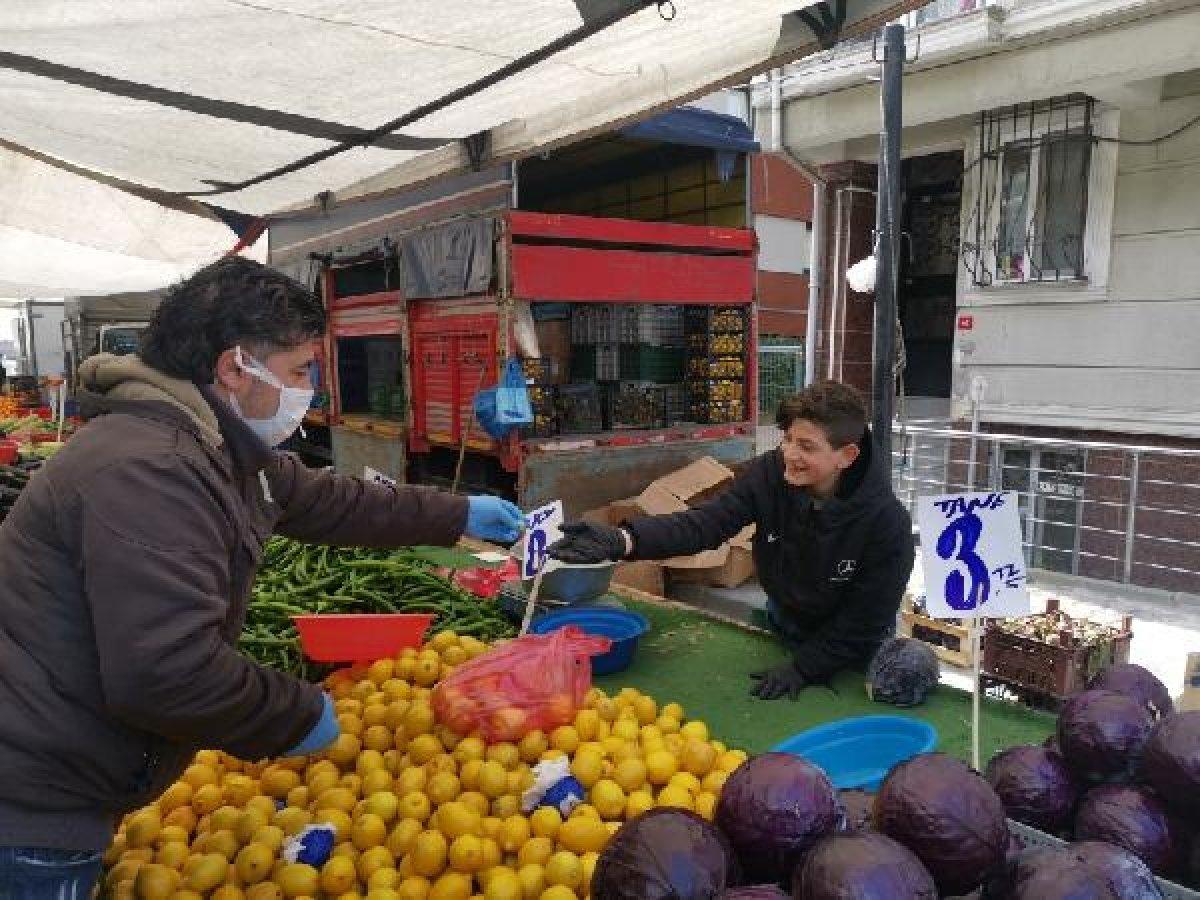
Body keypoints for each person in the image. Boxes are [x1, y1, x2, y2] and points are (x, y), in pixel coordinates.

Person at [0, 258, 524, 896]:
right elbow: (166, 672)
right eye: (300, 370)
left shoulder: (214, 448)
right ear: (234, 367)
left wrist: (458, 512)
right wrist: (298, 714)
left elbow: (331, 502)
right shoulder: (150, 471)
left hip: (63, 780)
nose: (311, 391)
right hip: (28, 809)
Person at [549, 380, 914, 701]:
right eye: (786, 438)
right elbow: (709, 523)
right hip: (785, 623)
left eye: (806, 446)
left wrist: (805, 669)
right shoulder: (771, 473)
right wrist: (625, 540)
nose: (789, 454)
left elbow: (864, 620)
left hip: (852, 650)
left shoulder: (887, 524)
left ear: (847, 456)